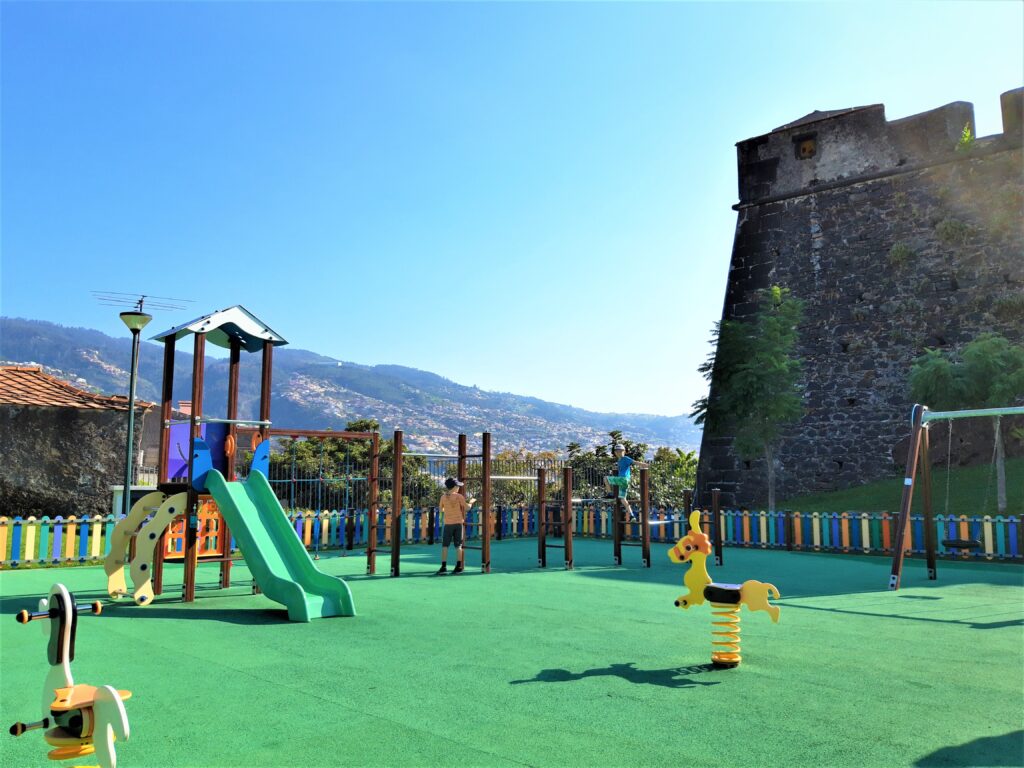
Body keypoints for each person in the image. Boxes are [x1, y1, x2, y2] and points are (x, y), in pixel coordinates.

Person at [604, 444, 648, 521]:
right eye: (617, 451)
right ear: (615, 453)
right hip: (624, 482)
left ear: (624, 451)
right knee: (622, 499)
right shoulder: (619, 461)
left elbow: (634, 462)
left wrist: (643, 464)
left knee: (606, 478)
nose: (618, 453)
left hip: (623, 479)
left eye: (620, 451)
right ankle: (632, 516)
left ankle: (610, 494)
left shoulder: (625, 458)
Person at [437, 477, 470, 575]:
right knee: (458, 545)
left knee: (445, 546)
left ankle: (443, 566)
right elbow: (467, 508)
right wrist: (471, 503)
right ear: (454, 487)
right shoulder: (459, 496)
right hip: (458, 523)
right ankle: (458, 566)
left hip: (448, 524)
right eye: (458, 486)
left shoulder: (443, 497)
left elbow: (440, 510)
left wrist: (447, 511)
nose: (459, 488)